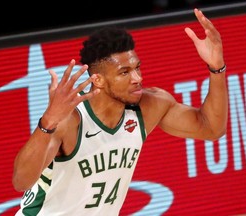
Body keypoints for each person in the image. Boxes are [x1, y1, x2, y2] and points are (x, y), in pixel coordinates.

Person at [13, 8, 228, 216]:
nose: (137, 78)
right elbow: (21, 181)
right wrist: (48, 120)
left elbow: (211, 128)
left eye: (137, 67)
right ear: (97, 80)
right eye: (124, 72)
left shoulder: (149, 105)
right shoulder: (69, 122)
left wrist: (217, 68)